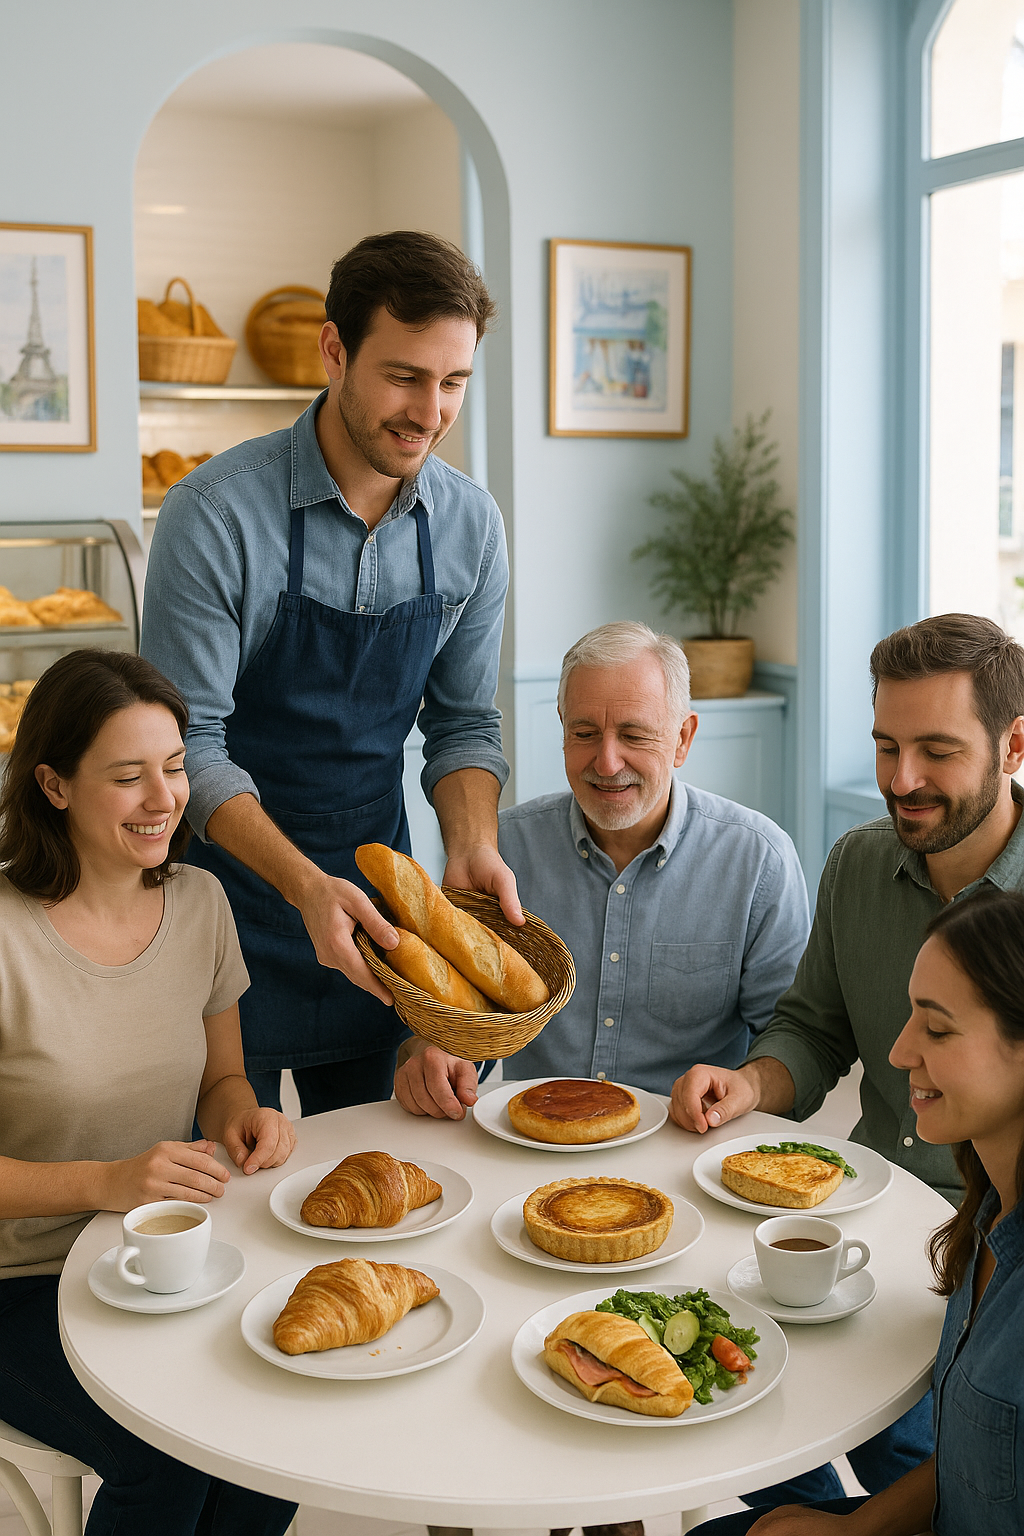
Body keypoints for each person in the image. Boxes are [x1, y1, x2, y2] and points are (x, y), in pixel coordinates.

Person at [141, 230, 522, 1119]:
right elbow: (188, 745)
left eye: (454, 381)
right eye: (404, 376)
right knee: (224, 1172)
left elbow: (463, 723)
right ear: (334, 350)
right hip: (221, 906)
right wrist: (307, 887)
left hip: (379, 915)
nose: (429, 412)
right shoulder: (216, 515)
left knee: (377, 1170)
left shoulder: (471, 527)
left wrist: (471, 844)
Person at [672, 612, 1024, 1503]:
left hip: (995, 1250)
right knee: (734, 1398)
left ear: (1014, 745)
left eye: (937, 751)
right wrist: (750, 1082)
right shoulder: (858, 864)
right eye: (885, 746)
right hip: (866, 1216)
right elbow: (815, 1029)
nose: (902, 780)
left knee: (923, 1459)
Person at [0, 649, 297, 1536]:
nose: (165, 798)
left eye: (174, 767)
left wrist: (243, 1117)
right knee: (166, 1458)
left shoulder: (202, 903)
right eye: (129, 777)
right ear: (54, 784)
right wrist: (109, 1182)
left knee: (273, 1439)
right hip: (20, 1284)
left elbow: (221, 1079)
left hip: (161, 1261)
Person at [688, 885, 1024, 1534]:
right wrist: (855, 1528)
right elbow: (968, 1465)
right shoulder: (987, 1214)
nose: (897, 1054)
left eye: (937, 1028)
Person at [395, 620, 809, 1127]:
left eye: (634, 735)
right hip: (535, 1140)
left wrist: (750, 1084)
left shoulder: (759, 860)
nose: (607, 763)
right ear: (562, 729)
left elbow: (793, 1041)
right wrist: (432, 1051)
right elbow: (458, 1019)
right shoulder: (501, 851)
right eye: (584, 733)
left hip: (687, 1142)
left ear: (683, 738)